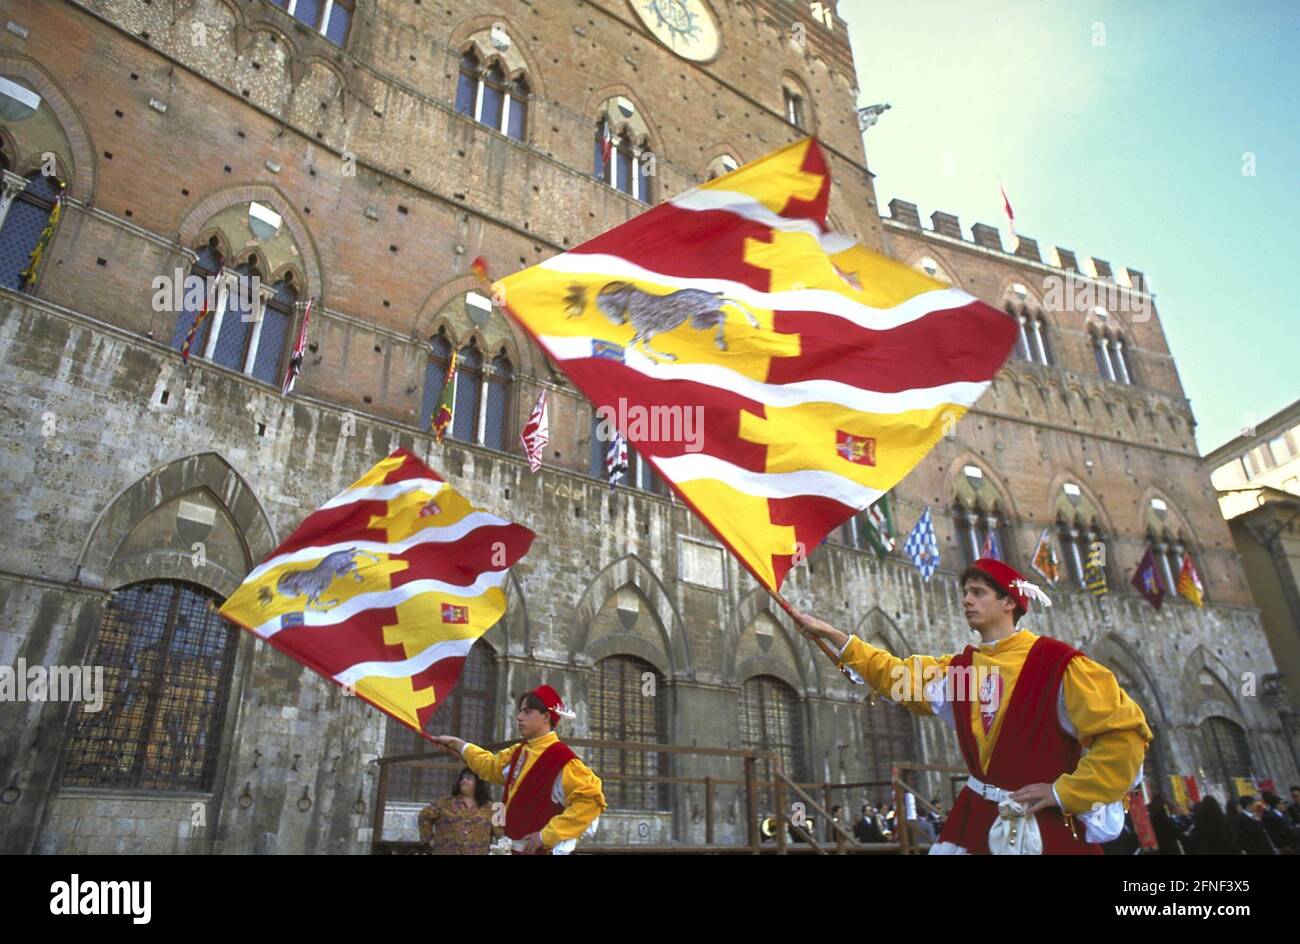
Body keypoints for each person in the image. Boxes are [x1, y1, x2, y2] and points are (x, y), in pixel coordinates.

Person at [791, 558, 1151, 855]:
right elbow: (896, 676)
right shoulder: (962, 673)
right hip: (976, 822)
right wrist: (836, 637)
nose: (966, 600)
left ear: (1009, 602)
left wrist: (1063, 792)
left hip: (1044, 829)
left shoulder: (1059, 666)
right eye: (965, 592)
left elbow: (1123, 739)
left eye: (978, 593)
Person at [432, 684, 605, 855]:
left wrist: (547, 835)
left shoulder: (562, 759)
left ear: (546, 716)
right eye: (520, 711)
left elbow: (590, 801)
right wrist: (458, 745)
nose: (519, 717)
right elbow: (490, 767)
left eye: (527, 712)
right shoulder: (519, 751)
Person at [418, 768, 500, 855]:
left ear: (479, 783)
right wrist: (429, 839)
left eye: (469, 778)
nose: (464, 780)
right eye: (462, 778)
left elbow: (501, 834)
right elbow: (424, 815)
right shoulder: (445, 803)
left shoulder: (492, 807)